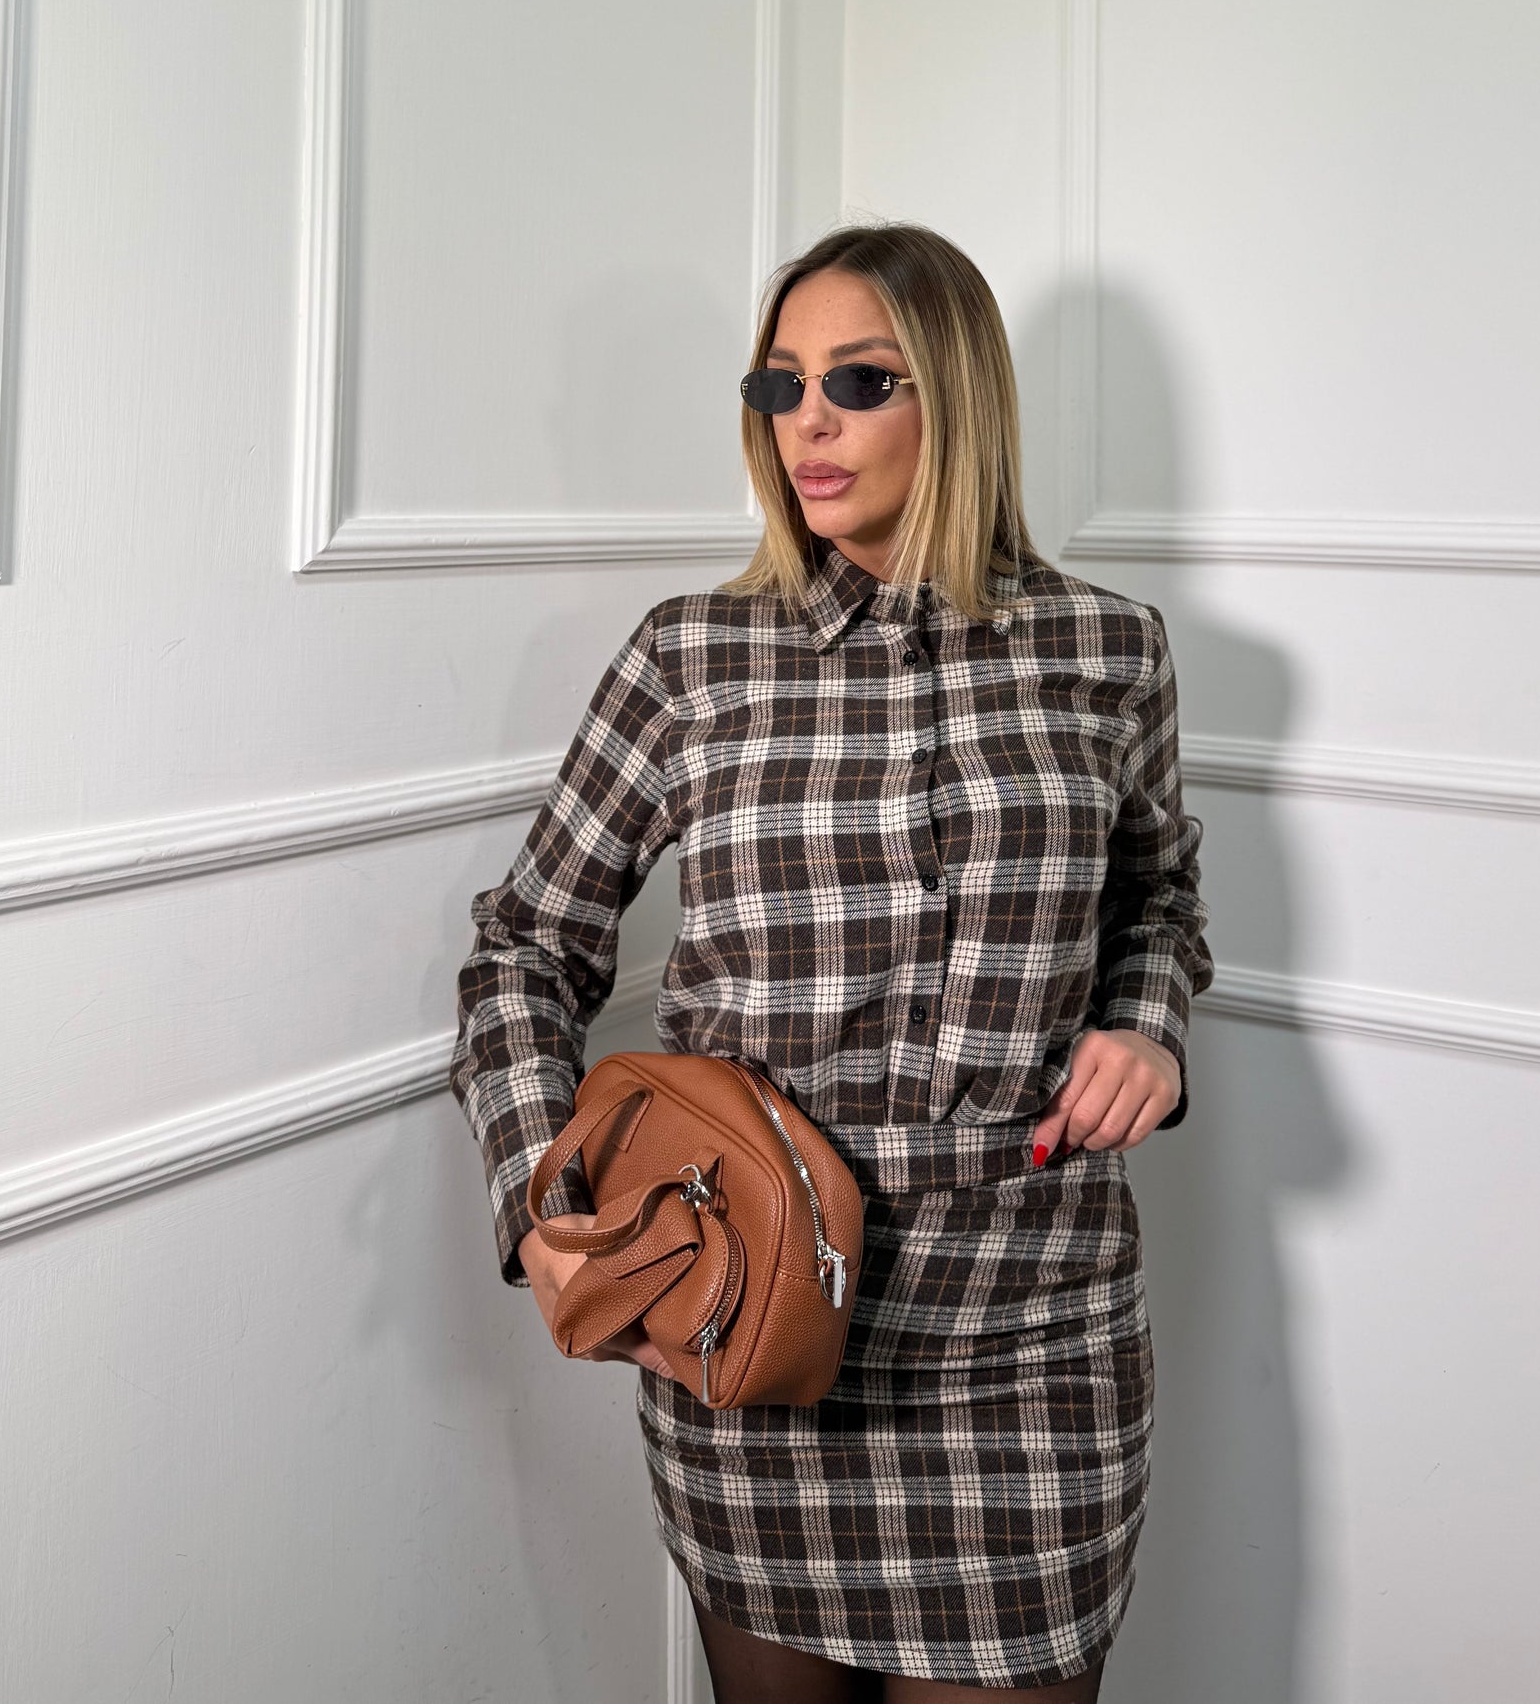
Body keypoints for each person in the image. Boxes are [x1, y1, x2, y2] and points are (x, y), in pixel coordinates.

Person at [450, 222, 1213, 1699]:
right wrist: (543, 1194)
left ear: (957, 397)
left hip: (1032, 1331)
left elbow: (1159, 894)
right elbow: (525, 946)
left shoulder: (1110, 650)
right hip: (757, 1325)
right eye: (778, 384)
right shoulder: (690, 657)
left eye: (858, 381)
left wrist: (1146, 1027)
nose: (806, 421)